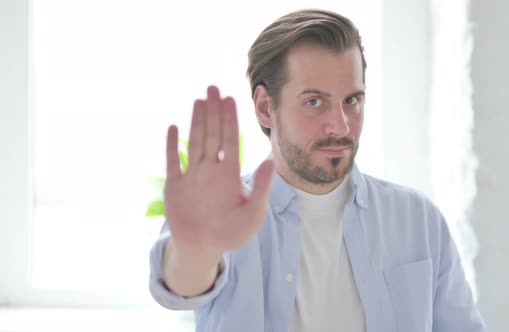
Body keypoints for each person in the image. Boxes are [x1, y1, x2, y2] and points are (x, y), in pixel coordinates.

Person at [149, 8, 487, 332]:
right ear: (266, 108)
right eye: (314, 102)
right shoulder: (223, 213)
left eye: (352, 101)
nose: (340, 125)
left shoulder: (418, 219)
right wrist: (198, 250)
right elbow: (182, 284)